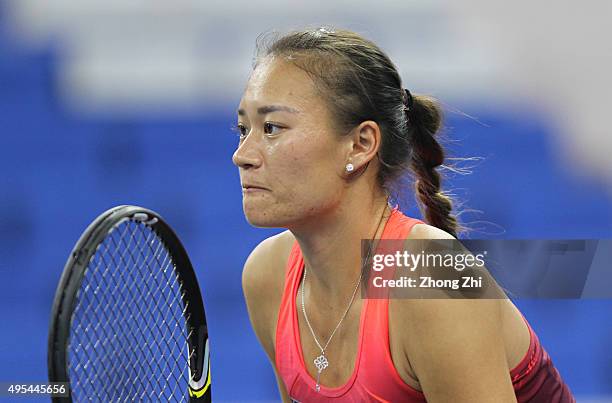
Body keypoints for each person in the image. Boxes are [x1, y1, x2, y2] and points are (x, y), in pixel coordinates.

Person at [233, 27, 574, 402]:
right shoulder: (269, 276)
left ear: (360, 145)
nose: (243, 155)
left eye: (272, 128)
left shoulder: (433, 276)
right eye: (242, 129)